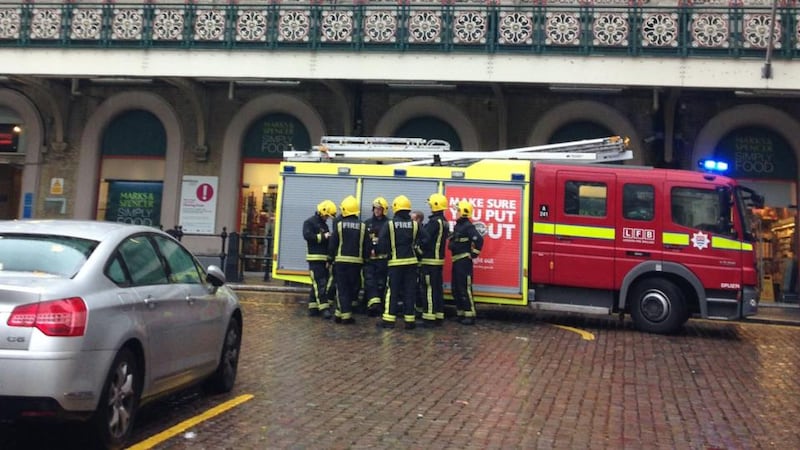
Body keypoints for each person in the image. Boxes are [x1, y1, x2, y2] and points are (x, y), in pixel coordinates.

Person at [377, 195, 429, 330]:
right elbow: (427, 239)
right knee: (409, 291)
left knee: (392, 291)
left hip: (395, 263)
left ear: (395, 208)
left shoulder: (389, 224)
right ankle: (409, 321)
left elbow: (382, 243)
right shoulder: (415, 225)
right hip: (411, 263)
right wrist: (416, 248)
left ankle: (389, 320)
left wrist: (388, 253)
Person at [328, 195, 367, 324]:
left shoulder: (339, 225)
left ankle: (345, 316)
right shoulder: (362, 226)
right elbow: (367, 246)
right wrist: (366, 260)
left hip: (340, 262)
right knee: (351, 289)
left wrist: (330, 259)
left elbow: (333, 244)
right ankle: (340, 314)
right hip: (356, 263)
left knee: (342, 289)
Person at [449, 200, 483, 325]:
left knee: (464, 288)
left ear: (463, 212)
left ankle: (470, 315)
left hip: (463, 262)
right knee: (456, 288)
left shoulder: (468, 226)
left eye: (457, 210)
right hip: (457, 261)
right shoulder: (459, 225)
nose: (455, 212)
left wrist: (474, 254)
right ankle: (461, 313)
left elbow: (478, 239)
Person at [419, 193, 450, 327]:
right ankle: (438, 315)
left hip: (429, 261)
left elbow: (425, 239)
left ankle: (429, 318)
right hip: (438, 261)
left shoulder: (433, 223)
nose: (430, 206)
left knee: (429, 288)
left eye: (431, 204)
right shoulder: (444, 221)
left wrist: (418, 249)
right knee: (437, 288)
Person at [303, 199, 336, 319]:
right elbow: (307, 236)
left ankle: (313, 307)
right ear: (322, 211)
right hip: (314, 258)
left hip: (323, 259)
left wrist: (329, 258)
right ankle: (324, 308)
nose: (327, 218)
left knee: (317, 284)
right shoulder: (309, 222)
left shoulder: (324, 224)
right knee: (319, 284)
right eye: (327, 215)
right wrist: (323, 236)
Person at [363, 196, 390, 316]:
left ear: (384, 210)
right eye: (375, 208)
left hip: (383, 260)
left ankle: (379, 307)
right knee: (369, 282)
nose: (377, 210)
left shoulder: (388, 224)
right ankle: (372, 306)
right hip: (369, 259)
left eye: (379, 208)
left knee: (381, 284)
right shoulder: (367, 223)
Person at [410, 210, 426, 319]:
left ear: (418, 219)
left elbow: (423, 247)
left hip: (420, 264)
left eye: (412, 219)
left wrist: (416, 249)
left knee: (419, 288)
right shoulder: (412, 230)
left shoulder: (422, 231)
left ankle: (419, 310)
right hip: (412, 264)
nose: (410, 221)